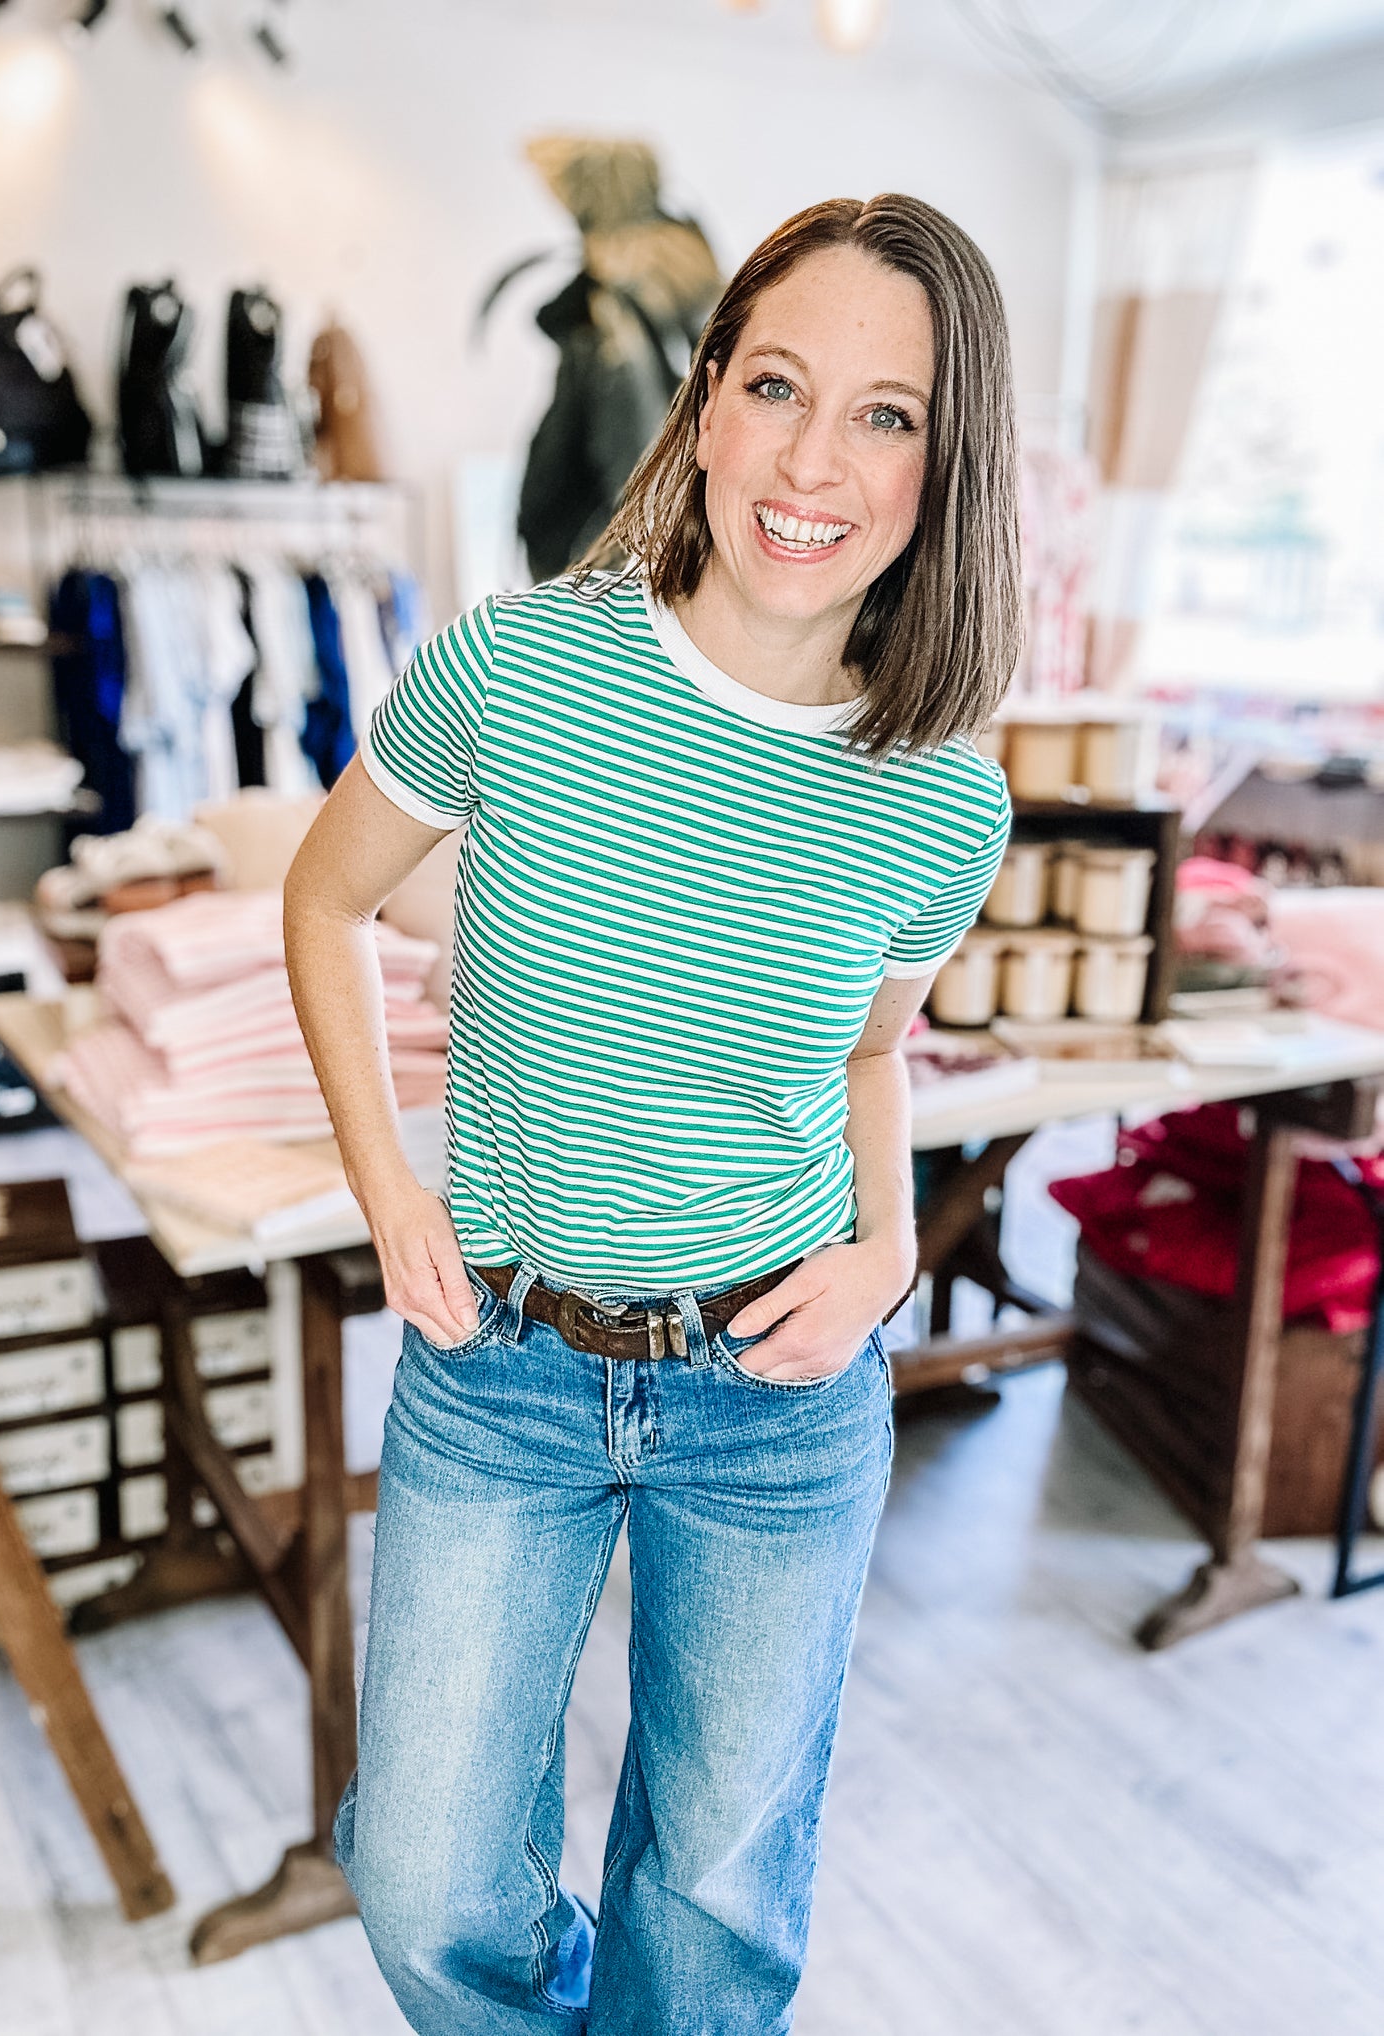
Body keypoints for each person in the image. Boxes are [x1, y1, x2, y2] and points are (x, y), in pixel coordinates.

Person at [284, 191, 1020, 2035]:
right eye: (775, 384)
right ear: (702, 401)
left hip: (778, 1397)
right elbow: (323, 897)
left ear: (943, 470)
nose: (811, 460)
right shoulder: (517, 670)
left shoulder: (941, 796)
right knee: (424, 1878)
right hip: (504, 1371)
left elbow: (867, 1055)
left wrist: (887, 1245)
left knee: (709, 1913)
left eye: (885, 415)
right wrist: (389, 1190)